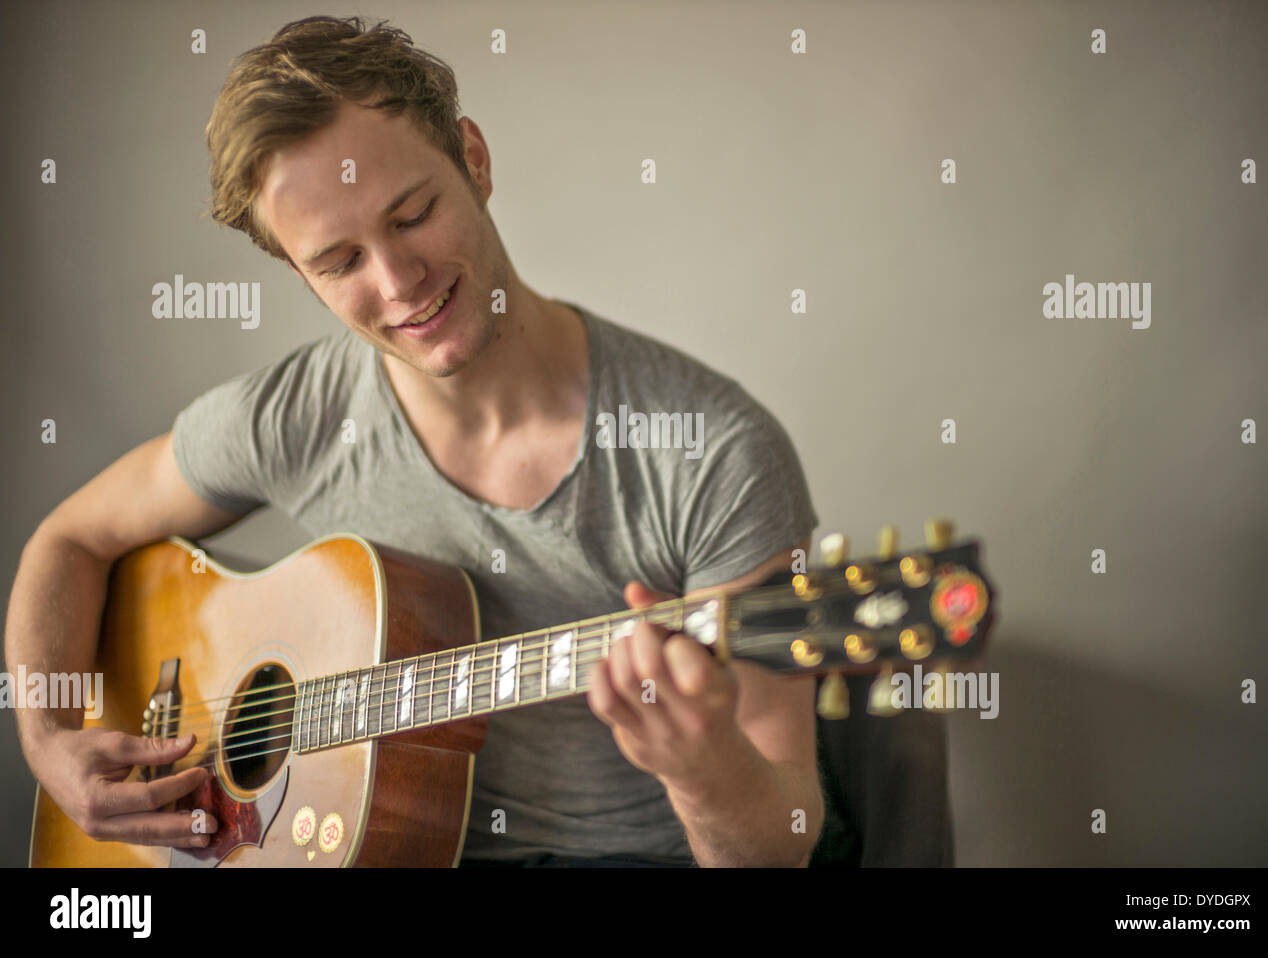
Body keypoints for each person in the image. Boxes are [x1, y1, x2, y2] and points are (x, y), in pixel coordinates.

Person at [5, 15, 823, 867]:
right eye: (339, 261)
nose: (398, 283)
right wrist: (49, 739)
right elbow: (68, 539)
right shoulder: (296, 416)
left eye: (413, 214)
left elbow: (780, 847)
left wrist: (701, 771)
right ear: (297, 271)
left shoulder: (711, 453)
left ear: (474, 158)